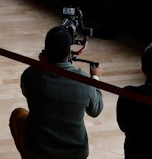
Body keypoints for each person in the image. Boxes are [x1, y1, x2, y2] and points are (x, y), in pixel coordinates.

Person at [9, 26, 103, 159]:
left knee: (17, 114)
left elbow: (26, 91)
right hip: (75, 154)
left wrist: (41, 65)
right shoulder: (83, 80)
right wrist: (95, 79)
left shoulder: (30, 74)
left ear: (46, 50)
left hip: (39, 151)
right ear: (69, 51)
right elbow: (96, 110)